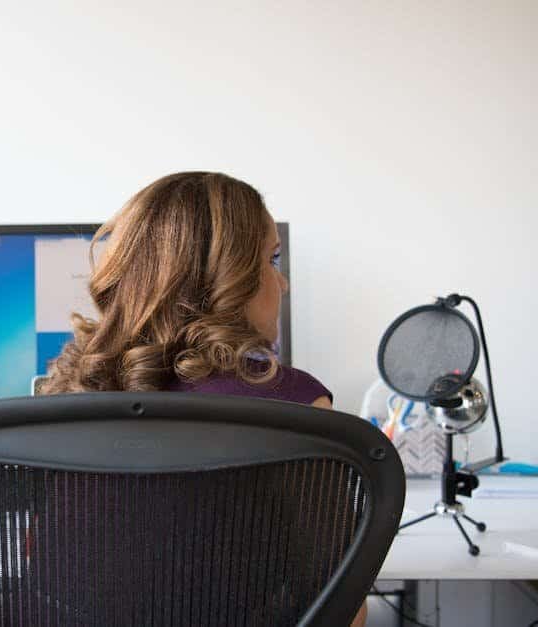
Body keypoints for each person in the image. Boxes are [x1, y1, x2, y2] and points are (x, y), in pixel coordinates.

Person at [39, 171, 365, 627]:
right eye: (271, 260)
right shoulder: (293, 406)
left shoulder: (62, 397)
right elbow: (344, 610)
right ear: (229, 279)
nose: (283, 283)